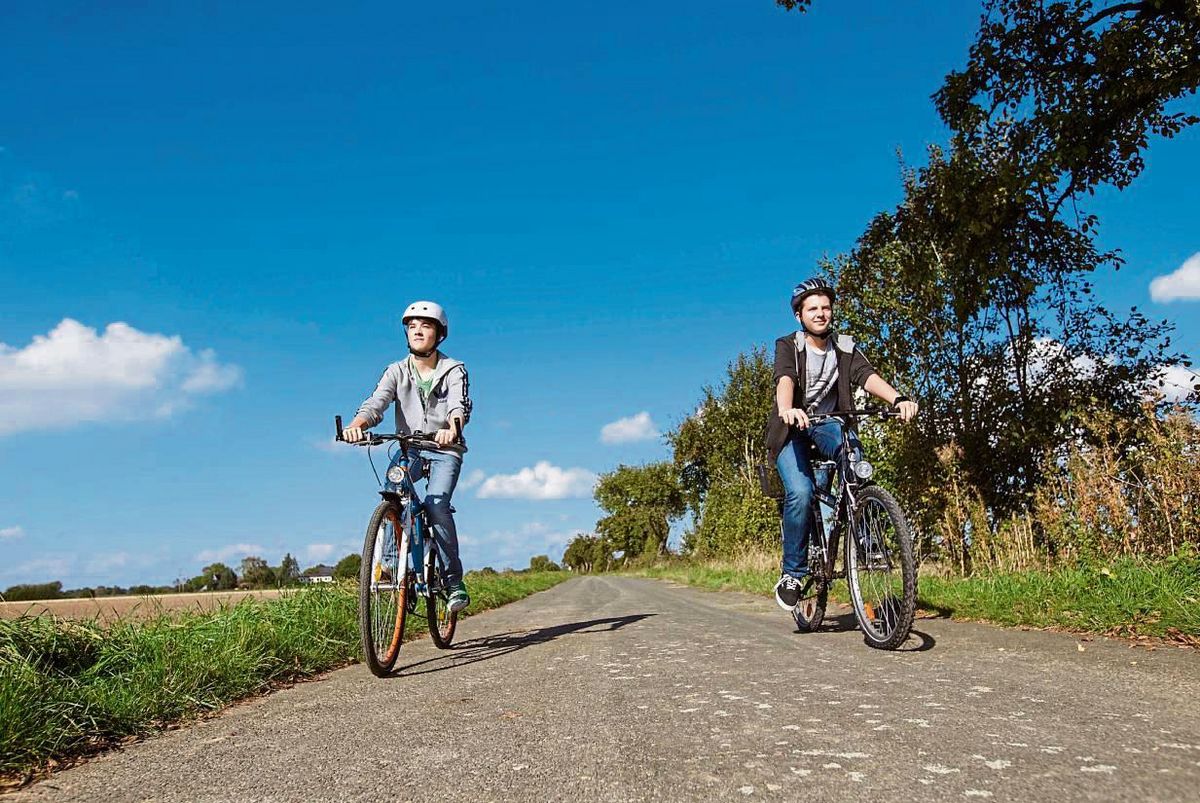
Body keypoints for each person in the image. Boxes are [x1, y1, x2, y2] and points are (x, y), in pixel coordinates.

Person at [766, 277, 918, 611]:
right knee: (802, 493)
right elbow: (785, 379)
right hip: (792, 430)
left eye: (825, 307)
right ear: (799, 315)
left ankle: (865, 539)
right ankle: (792, 572)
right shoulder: (788, 345)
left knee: (854, 458)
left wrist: (898, 398)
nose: (820, 314)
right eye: (812, 309)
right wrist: (787, 409)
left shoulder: (845, 347)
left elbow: (868, 376)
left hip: (827, 425)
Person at [340, 301, 473, 612]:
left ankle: (454, 580)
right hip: (409, 447)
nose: (417, 330)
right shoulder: (396, 371)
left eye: (425, 326)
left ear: (439, 334)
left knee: (436, 505)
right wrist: (357, 425)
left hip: (445, 449)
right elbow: (377, 402)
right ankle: (390, 567)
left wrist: (452, 429)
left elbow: (459, 406)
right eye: (411, 326)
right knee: (395, 489)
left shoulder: (454, 369)